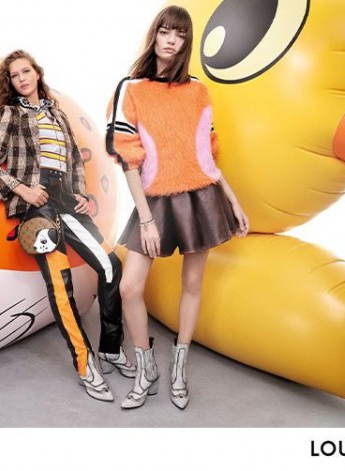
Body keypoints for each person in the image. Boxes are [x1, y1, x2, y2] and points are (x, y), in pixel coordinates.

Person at [106, 6, 250, 410]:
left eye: (180, 35)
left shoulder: (197, 90)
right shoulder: (130, 88)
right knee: (130, 287)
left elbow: (205, 155)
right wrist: (146, 220)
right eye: (166, 32)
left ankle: (179, 367)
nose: (171, 41)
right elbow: (128, 159)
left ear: (187, 42)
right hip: (153, 200)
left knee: (192, 283)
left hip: (201, 196)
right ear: (154, 34)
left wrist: (232, 200)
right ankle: (146, 367)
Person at [0, 50, 134, 402]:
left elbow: (73, 158)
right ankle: (85, 364)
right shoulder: (11, 114)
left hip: (64, 198)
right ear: (10, 82)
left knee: (110, 264)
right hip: (36, 204)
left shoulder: (57, 114)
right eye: (15, 75)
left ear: (37, 73)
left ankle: (110, 348)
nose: (22, 79)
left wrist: (79, 193)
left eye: (26, 71)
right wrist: (22, 190)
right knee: (61, 286)